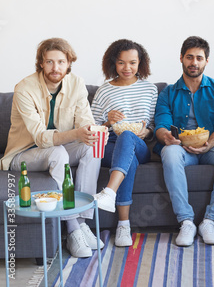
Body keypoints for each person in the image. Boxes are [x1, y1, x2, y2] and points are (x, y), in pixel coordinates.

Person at [0, 38, 102, 258]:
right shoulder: (24, 88)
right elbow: (39, 136)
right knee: (57, 152)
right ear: (41, 63)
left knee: (91, 148)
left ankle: (83, 223)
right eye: (49, 62)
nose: (56, 68)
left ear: (68, 63)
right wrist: (76, 134)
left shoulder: (77, 83)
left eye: (61, 62)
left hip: (61, 150)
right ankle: (72, 227)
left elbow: (85, 121)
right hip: (23, 154)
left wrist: (91, 131)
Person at [154, 36, 214, 247]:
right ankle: (186, 221)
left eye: (199, 58)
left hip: (211, 147)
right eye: (189, 57)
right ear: (181, 59)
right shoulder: (168, 92)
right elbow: (161, 124)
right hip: (181, 149)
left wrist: (209, 145)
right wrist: (165, 136)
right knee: (169, 152)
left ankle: (211, 221)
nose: (194, 62)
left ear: (206, 61)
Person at [91, 39, 158, 247]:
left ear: (141, 63)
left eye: (132, 63)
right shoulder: (104, 91)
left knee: (128, 137)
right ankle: (123, 226)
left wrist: (147, 131)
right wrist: (107, 121)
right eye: (121, 63)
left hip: (140, 144)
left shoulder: (150, 89)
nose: (127, 68)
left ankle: (109, 192)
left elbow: (156, 124)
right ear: (113, 63)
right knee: (128, 160)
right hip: (110, 143)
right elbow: (92, 126)